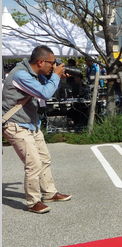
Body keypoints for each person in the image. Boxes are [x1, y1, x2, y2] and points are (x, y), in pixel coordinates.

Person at [2, 45, 72, 214]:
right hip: (15, 124)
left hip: (31, 123)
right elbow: (44, 93)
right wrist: (55, 76)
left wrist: (57, 78)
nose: (53, 66)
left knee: (44, 159)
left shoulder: (35, 74)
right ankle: (33, 201)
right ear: (41, 62)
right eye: (52, 63)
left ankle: (49, 193)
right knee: (33, 163)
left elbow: (48, 90)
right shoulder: (20, 75)